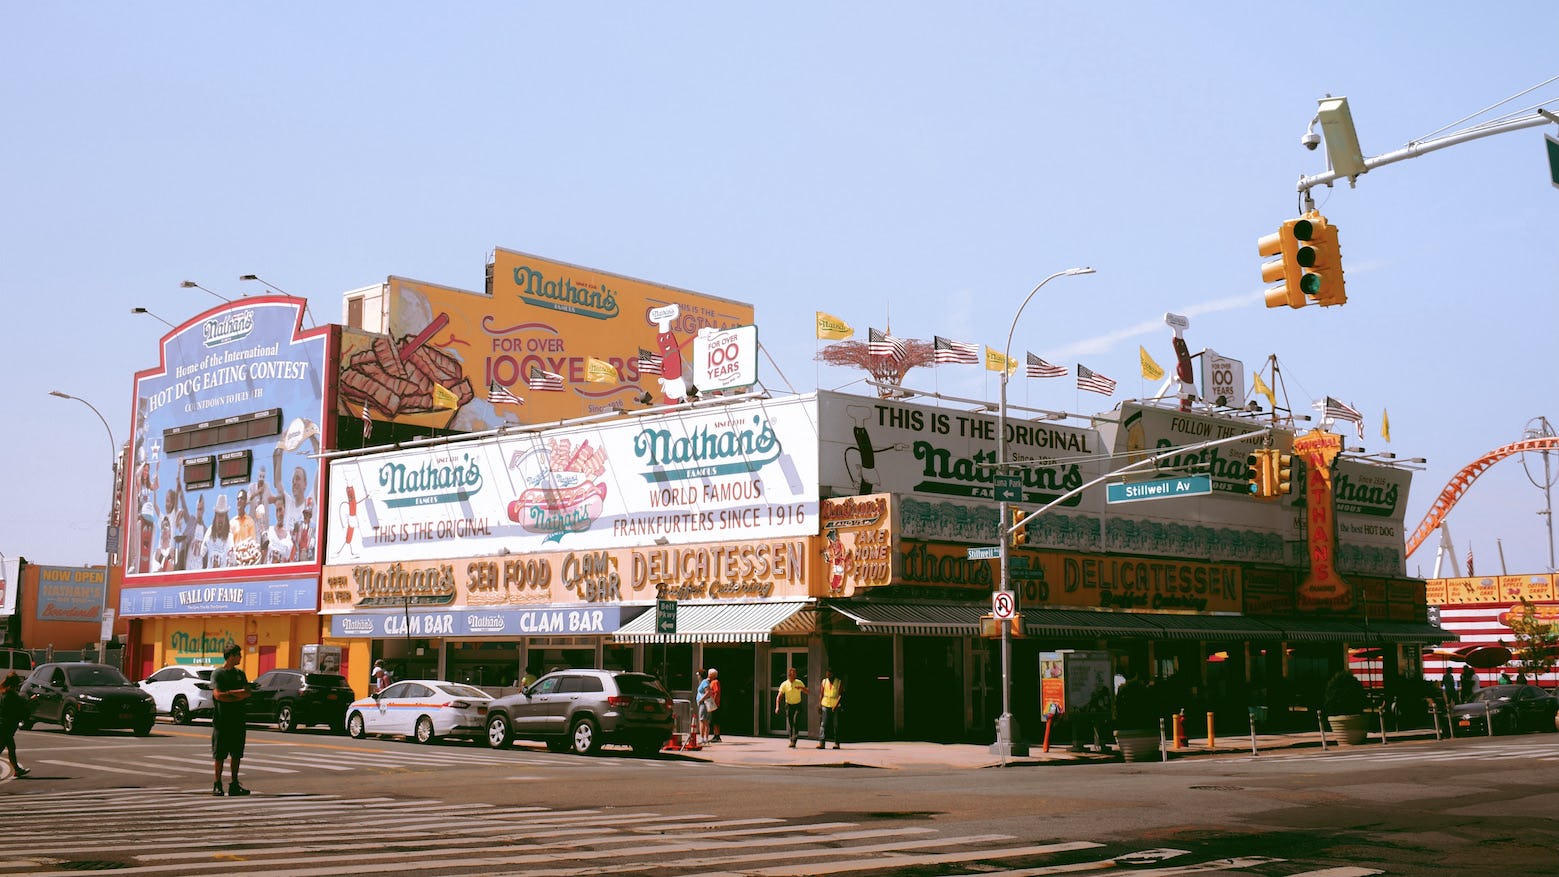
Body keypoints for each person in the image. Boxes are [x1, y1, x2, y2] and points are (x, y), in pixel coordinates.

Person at [211, 643, 252, 796]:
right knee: (219, 754)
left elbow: (247, 693)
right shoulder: (218, 674)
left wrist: (229, 694)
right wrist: (236, 694)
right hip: (222, 721)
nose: (240, 657)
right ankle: (217, 783)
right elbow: (218, 695)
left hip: (238, 720)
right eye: (238, 655)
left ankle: (234, 784)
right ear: (231, 656)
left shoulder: (240, 674)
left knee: (236, 754)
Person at [0, 673, 30, 778]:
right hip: (6, 726)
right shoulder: (11, 694)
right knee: (7, 747)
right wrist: (32, 700)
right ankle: (17, 770)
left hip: (4, 725)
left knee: (11, 748)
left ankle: (17, 769)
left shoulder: (3, 692)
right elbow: (20, 706)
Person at [774, 666, 807, 748]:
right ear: (789, 675)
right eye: (792, 675)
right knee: (790, 723)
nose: (793, 676)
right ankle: (791, 739)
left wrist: (802, 688)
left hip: (797, 705)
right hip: (788, 705)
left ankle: (794, 740)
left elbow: (807, 691)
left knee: (795, 721)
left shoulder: (799, 682)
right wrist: (777, 707)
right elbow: (779, 696)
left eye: (794, 674)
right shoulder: (784, 684)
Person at [817, 668, 843, 749]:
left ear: (833, 674)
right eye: (827, 674)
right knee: (823, 724)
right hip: (825, 704)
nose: (828, 675)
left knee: (836, 724)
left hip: (835, 706)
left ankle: (836, 743)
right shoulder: (824, 681)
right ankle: (821, 743)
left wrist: (836, 705)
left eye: (829, 674)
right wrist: (819, 705)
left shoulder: (838, 682)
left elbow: (840, 695)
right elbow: (821, 694)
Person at [705, 669, 723, 743]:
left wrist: (714, 702)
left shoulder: (715, 682)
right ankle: (716, 735)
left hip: (715, 704)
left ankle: (717, 735)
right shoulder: (712, 682)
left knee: (714, 720)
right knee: (714, 720)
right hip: (714, 703)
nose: (708, 675)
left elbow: (716, 692)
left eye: (709, 674)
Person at [694, 668, 710, 741]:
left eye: (698, 675)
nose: (697, 676)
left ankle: (702, 738)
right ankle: (705, 738)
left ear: (700, 675)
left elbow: (708, 692)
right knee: (705, 721)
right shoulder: (704, 682)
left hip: (703, 704)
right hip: (703, 703)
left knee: (702, 720)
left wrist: (701, 700)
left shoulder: (704, 682)